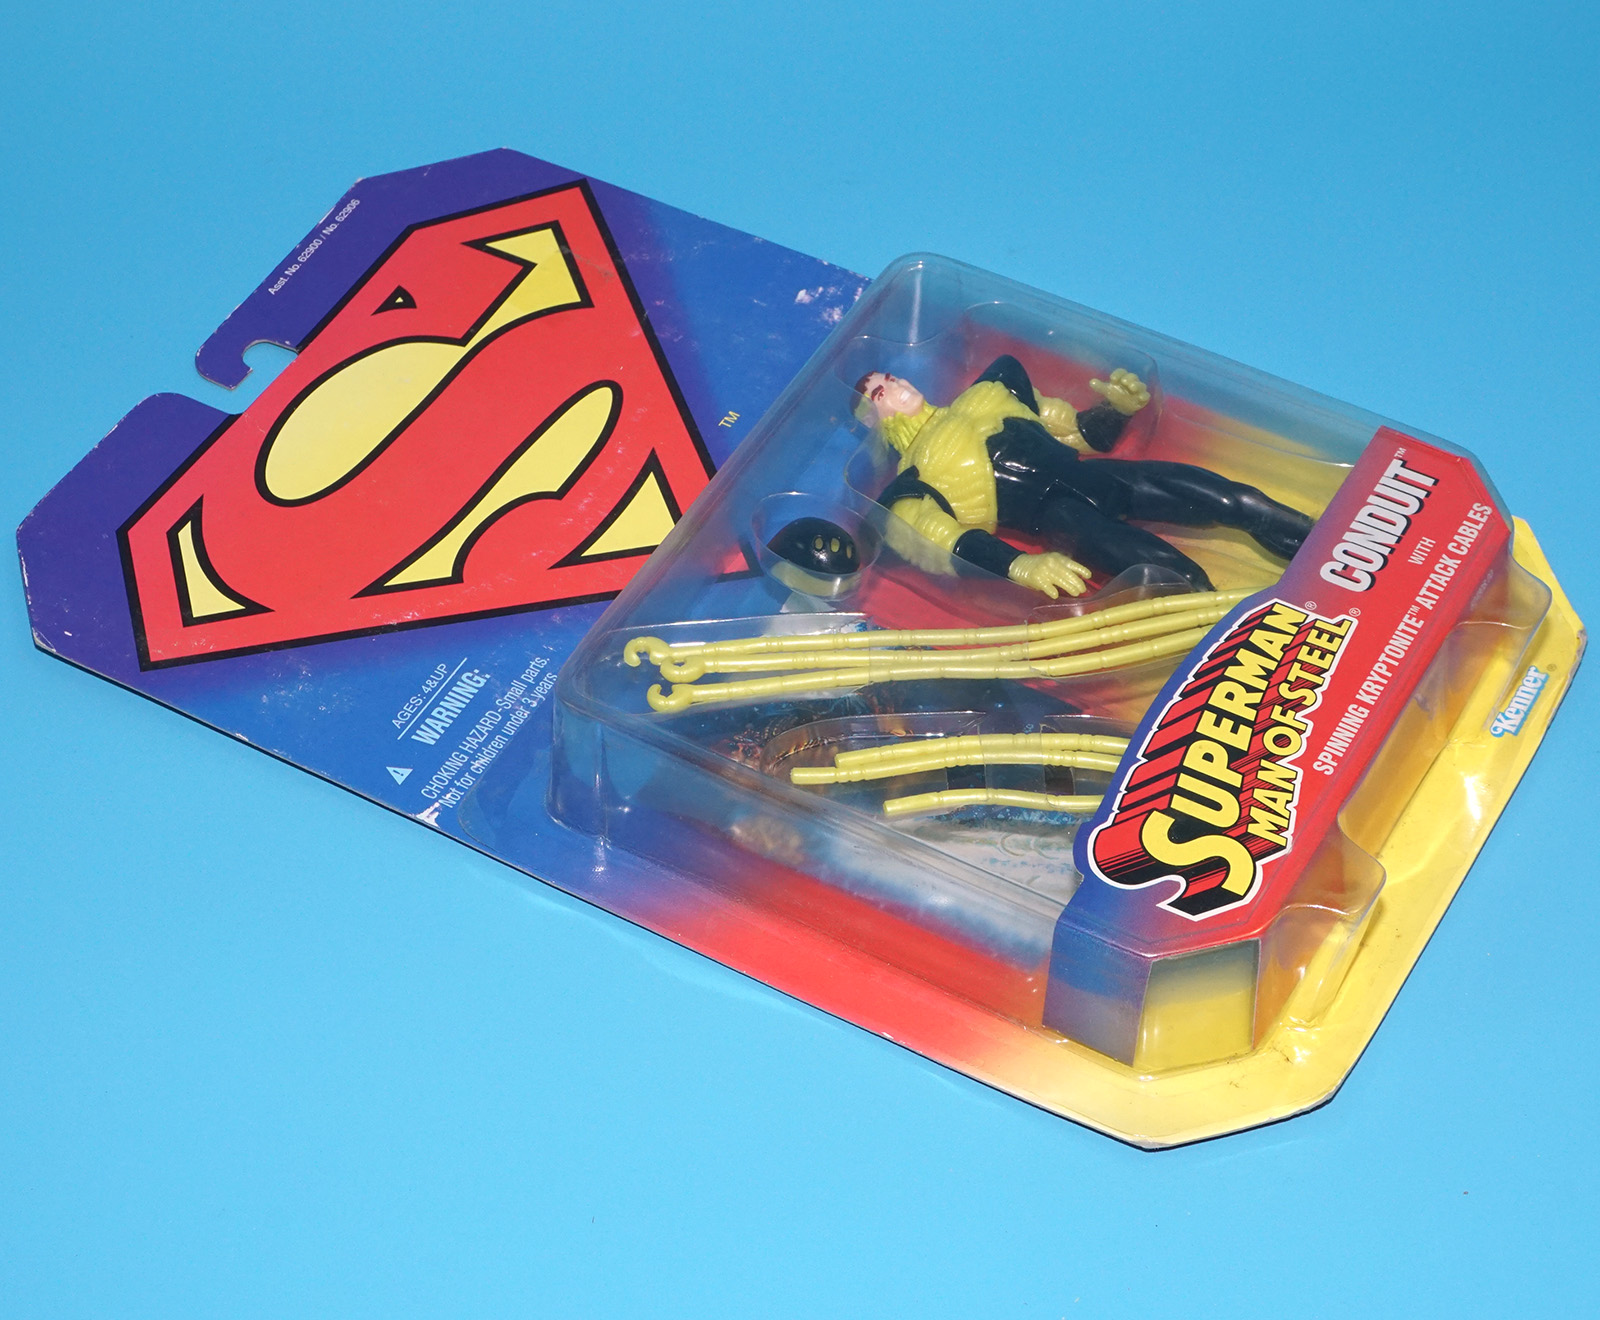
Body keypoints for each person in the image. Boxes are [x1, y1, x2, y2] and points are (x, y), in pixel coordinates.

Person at [858, 355, 1314, 595]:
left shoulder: (990, 392)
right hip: (1058, 519)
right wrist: (1021, 566)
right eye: (880, 393)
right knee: (1175, 578)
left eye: (890, 378)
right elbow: (945, 542)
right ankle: (1236, 635)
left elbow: (1079, 433)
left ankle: (1323, 546)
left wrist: (1118, 408)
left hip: (1095, 475)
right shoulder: (912, 481)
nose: (895, 386)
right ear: (873, 420)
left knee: (1235, 499)